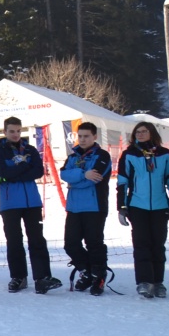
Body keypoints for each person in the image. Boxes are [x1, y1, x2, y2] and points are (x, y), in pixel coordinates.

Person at [0, 117, 62, 293]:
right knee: (14, 241)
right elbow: (3, 173)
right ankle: (18, 277)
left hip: (32, 202)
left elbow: (38, 171)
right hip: (9, 203)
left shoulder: (30, 149)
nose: (15, 134)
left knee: (37, 240)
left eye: (18, 131)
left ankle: (42, 277)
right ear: (5, 132)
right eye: (12, 131)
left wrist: (17, 172)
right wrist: (25, 168)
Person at [117, 121, 169, 298]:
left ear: (152, 133)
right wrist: (122, 208)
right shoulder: (129, 155)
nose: (140, 134)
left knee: (158, 245)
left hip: (160, 206)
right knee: (141, 244)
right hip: (138, 206)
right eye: (137, 132)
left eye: (144, 131)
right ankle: (144, 281)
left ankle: (158, 282)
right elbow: (122, 182)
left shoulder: (164, 154)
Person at [59, 122, 113, 295]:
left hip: (94, 206)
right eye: (80, 136)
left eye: (86, 136)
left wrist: (74, 181)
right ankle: (86, 272)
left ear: (94, 137)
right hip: (74, 208)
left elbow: (95, 177)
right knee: (70, 244)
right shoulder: (72, 156)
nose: (82, 139)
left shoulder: (102, 155)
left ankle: (99, 276)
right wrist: (83, 175)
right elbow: (63, 174)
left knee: (94, 243)